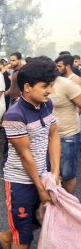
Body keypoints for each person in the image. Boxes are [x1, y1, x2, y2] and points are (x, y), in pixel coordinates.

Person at [0, 56, 60, 249]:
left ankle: (4, 238)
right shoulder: (14, 115)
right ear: (28, 87)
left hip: (43, 174)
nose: (51, 90)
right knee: (23, 236)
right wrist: (40, 188)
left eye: (51, 85)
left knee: (39, 219)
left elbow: (54, 136)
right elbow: (25, 156)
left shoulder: (47, 104)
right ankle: (10, 238)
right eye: (46, 86)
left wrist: (54, 174)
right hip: (19, 181)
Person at [51, 55, 81, 194]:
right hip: (49, 137)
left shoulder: (69, 83)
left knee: (67, 174)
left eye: (59, 66)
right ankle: (57, 202)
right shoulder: (44, 84)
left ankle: (68, 204)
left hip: (68, 135)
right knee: (52, 173)